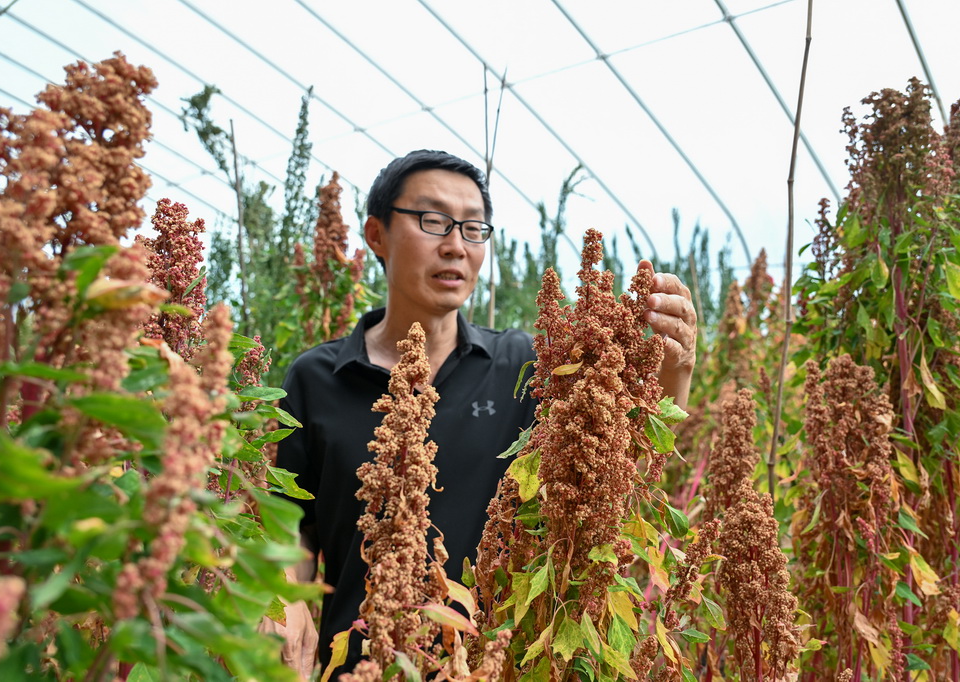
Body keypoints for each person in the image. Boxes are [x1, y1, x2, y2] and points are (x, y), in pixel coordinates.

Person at [271, 150, 698, 677]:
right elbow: (290, 524)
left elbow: (619, 475)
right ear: (376, 235)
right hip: (365, 663)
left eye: (474, 228)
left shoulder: (527, 365)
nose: (456, 245)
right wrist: (283, 595)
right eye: (432, 221)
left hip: (499, 665)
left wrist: (673, 372)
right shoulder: (315, 378)